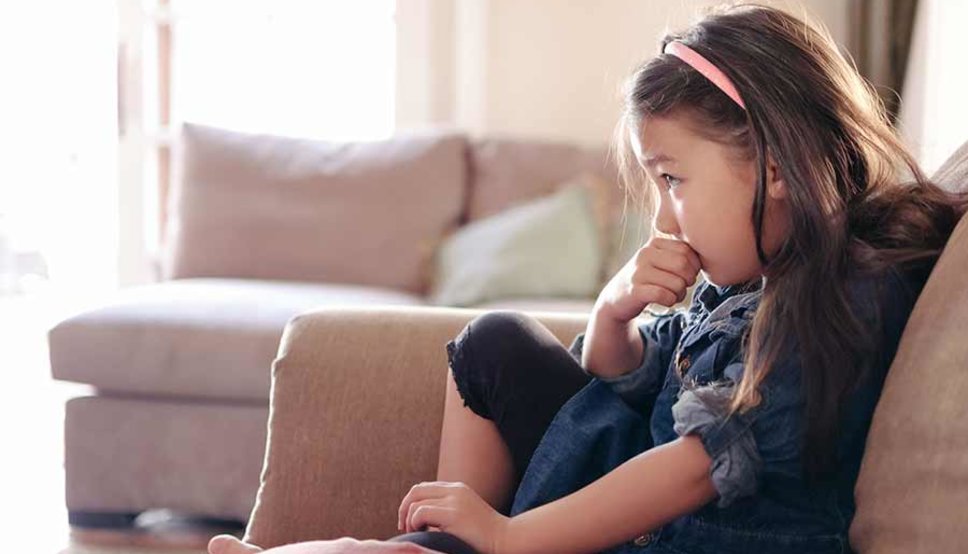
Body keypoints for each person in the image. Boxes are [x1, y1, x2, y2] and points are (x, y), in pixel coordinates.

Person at [209, 3, 968, 554]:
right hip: (623, 479)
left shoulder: (843, 292)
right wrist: (615, 311)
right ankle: (446, 543)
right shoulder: (743, 278)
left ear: (773, 167)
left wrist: (513, 538)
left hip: (686, 534)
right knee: (491, 342)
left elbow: (695, 470)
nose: (666, 214)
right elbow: (625, 375)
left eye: (673, 179)